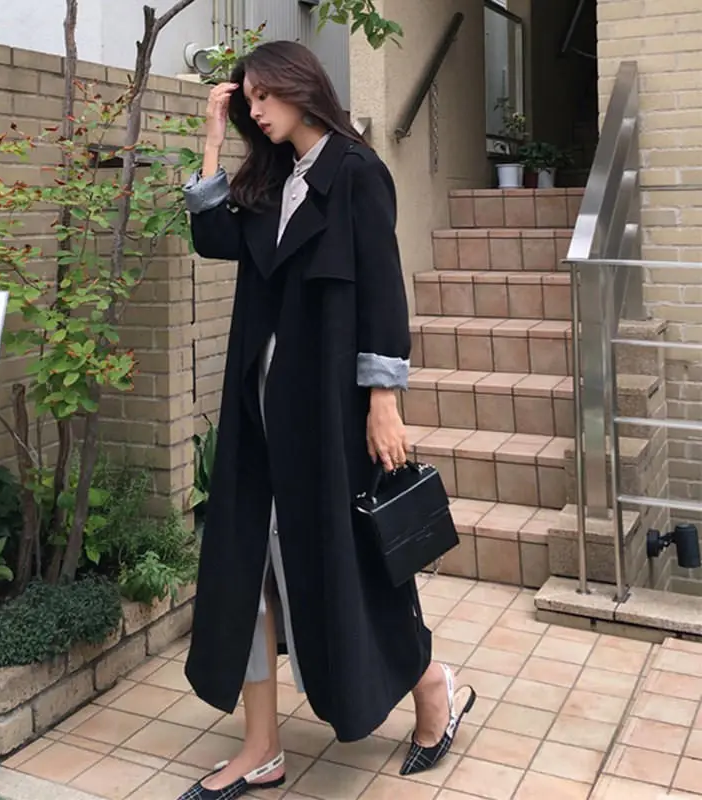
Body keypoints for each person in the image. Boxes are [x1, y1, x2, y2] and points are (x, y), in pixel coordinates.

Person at [179, 40, 475, 800]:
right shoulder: (269, 179)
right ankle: (261, 748)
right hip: (258, 415)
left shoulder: (355, 171)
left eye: (264, 96)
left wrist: (384, 402)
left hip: (329, 417)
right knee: (246, 571)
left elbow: (382, 289)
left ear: (300, 86)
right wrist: (212, 137)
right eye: (247, 100)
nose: (256, 111)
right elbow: (213, 238)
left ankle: (432, 685)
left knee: (352, 569)